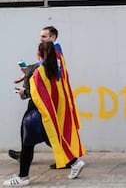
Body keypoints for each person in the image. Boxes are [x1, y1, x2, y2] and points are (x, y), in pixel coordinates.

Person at [4, 42, 85, 187]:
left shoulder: (38, 73)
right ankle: (75, 162)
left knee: (27, 144)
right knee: (50, 138)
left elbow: (35, 95)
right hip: (48, 114)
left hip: (36, 114)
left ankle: (23, 178)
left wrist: (23, 92)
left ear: (40, 54)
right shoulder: (55, 69)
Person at [9, 26, 71, 169]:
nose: (40, 39)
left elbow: (43, 76)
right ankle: (70, 159)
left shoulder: (54, 53)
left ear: (53, 37)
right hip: (45, 101)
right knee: (43, 133)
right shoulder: (55, 53)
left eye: (44, 36)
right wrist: (28, 72)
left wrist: (26, 87)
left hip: (40, 102)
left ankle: (71, 160)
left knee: (43, 133)